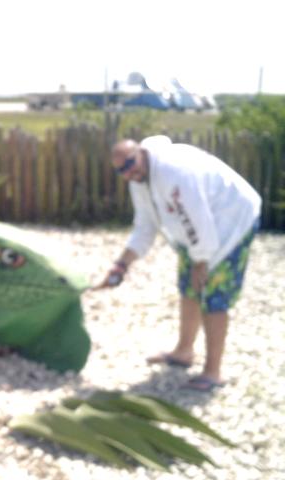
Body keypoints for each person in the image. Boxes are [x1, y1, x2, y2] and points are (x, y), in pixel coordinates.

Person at [101, 135, 261, 391]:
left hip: (231, 222)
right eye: (121, 169)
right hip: (200, 233)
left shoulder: (175, 172)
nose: (129, 171)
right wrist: (122, 265)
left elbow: (198, 218)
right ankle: (183, 352)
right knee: (189, 288)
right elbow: (145, 227)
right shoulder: (139, 181)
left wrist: (202, 260)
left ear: (140, 152)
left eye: (130, 163)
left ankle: (213, 372)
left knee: (213, 295)